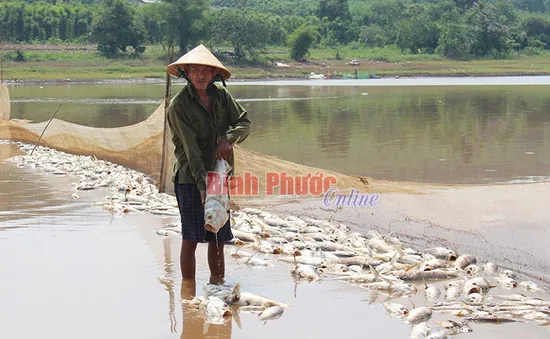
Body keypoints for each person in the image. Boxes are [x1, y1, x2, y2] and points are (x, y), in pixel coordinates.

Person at [165, 44, 251, 284]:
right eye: (195, 70)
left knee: (218, 236)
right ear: (186, 73)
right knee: (191, 237)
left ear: (214, 74)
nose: (201, 75)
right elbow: (191, 150)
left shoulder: (222, 96)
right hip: (190, 178)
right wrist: (203, 186)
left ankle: (218, 284)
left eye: (206, 70)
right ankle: (188, 291)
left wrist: (228, 139)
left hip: (219, 177)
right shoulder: (179, 106)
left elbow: (245, 122)